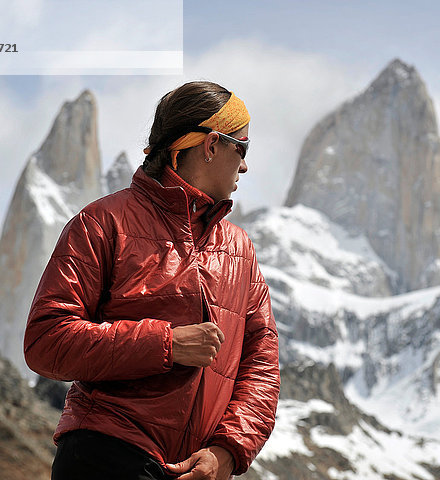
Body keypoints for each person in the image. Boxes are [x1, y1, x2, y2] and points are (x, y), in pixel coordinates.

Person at [23, 81, 280, 480]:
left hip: (195, 470)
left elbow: (261, 364)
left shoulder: (240, 250)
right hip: (105, 457)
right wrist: (166, 344)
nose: (245, 165)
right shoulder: (102, 223)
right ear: (211, 145)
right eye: (241, 147)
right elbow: (46, 341)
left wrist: (227, 451)